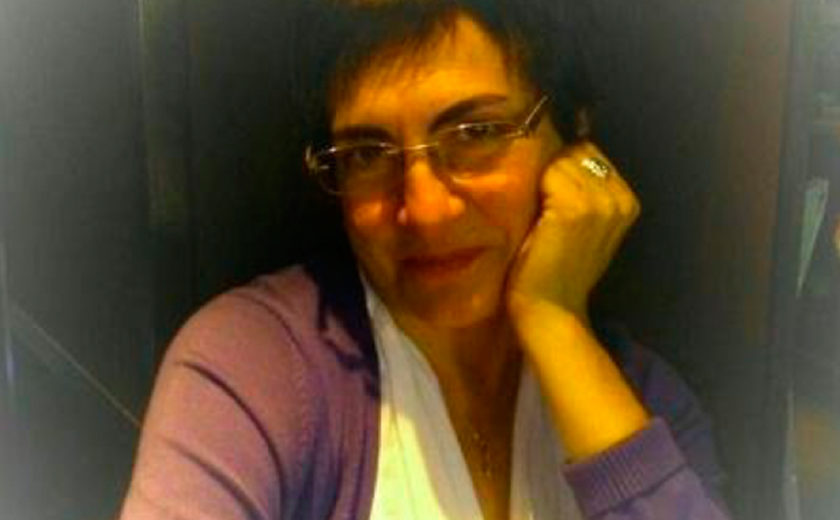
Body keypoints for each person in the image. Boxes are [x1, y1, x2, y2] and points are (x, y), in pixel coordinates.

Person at [120, 0, 731, 518]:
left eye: (475, 134)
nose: (426, 210)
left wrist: (556, 322)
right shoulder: (254, 369)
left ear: (575, 137)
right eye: (368, 153)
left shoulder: (643, 400)